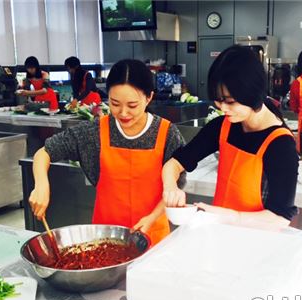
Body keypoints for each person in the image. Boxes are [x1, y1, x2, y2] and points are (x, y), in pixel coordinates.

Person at [29, 59, 185, 245]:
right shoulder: (95, 131)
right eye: (115, 103)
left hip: (153, 236)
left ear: (148, 98)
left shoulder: (167, 133)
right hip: (106, 239)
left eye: (132, 105)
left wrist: (152, 217)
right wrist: (41, 185)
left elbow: (177, 184)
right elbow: (44, 153)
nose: (123, 113)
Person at [163, 45, 298, 228]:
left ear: (253, 93)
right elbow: (175, 163)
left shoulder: (280, 145)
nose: (222, 108)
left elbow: (280, 218)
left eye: (230, 102)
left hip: (258, 243)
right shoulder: (223, 126)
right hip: (221, 235)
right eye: (218, 100)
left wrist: (231, 218)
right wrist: (171, 187)